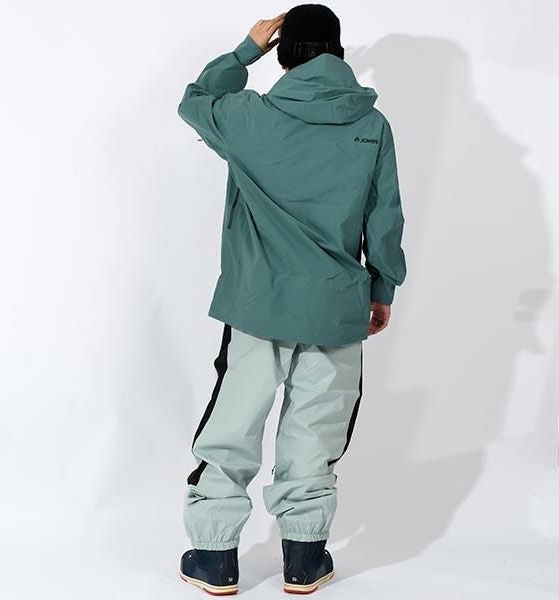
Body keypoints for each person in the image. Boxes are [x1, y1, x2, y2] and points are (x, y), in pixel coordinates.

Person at [176, 4, 407, 595]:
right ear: (338, 51)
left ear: (283, 52)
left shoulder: (248, 116)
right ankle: (304, 559)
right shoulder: (372, 125)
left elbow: (195, 100)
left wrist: (246, 50)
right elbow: (384, 218)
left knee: (233, 425)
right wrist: (381, 288)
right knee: (316, 429)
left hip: (258, 303)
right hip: (337, 305)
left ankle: (215, 559)